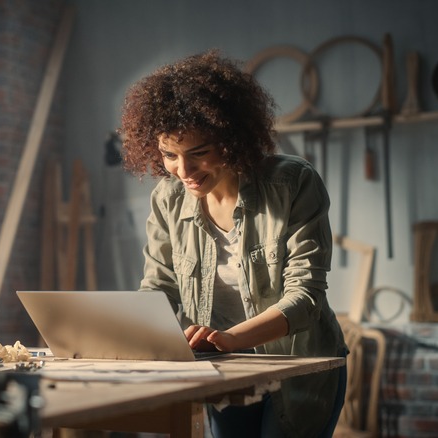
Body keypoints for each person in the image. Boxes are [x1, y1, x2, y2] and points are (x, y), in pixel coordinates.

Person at [118, 49, 347, 438]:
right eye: (169, 155)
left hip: (299, 367)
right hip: (223, 371)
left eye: (199, 153)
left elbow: (305, 298)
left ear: (231, 137)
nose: (184, 171)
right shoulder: (168, 198)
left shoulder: (292, 183)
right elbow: (158, 289)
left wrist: (228, 339)